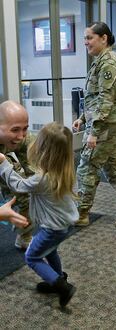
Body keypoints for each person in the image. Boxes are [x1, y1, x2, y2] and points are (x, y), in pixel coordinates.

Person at [73, 22, 116, 228]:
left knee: (86, 166)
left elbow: (106, 99)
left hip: (104, 125)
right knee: (113, 168)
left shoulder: (109, 62)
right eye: (85, 38)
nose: (86, 42)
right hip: (105, 122)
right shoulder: (100, 61)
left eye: (89, 38)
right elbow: (95, 98)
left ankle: (82, 213)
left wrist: (94, 131)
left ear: (104, 38)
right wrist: (83, 118)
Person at [0, 122, 78, 307]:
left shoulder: (42, 179)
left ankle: (61, 287)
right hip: (63, 226)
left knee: (32, 257)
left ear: (43, 150)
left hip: (53, 229)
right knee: (50, 251)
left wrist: (4, 163)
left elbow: (17, 185)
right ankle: (58, 278)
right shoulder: (64, 171)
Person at [0, 100, 34, 249]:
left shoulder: (22, 137)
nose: (21, 136)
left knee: (25, 192)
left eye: (24, 128)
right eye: (15, 130)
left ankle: (24, 236)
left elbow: (36, 166)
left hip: (2, 160)